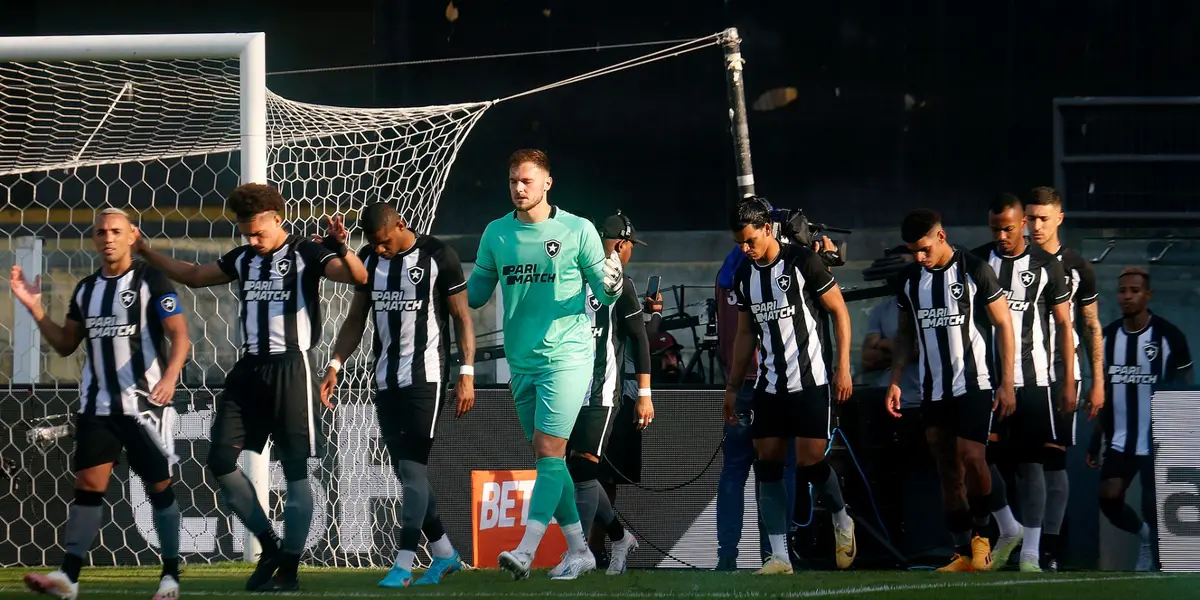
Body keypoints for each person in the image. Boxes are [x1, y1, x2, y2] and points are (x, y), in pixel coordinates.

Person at [135, 183, 368, 591]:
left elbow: (357, 277)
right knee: (221, 461)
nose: (253, 240)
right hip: (248, 370)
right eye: (246, 233)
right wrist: (146, 251)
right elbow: (193, 276)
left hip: (291, 370)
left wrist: (342, 247)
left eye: (259, 232)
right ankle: (270, 544)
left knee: (298, 473)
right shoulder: (243, 258)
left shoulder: (307, 253)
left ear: (278, 219)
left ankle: (289, 571)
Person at [465, 149, 625, 581]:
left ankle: (526, 549)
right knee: (548, 460)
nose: (520, 188)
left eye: (528, 181)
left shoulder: (577, 229)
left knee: (550, 452)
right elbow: (476, 294)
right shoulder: (496, 233)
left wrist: (613, 282)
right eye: (514, 180)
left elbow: (606, 295)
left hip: (568, 357)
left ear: (547, 183)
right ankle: (581, 550)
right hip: (522, 361)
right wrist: (444, 286)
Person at [15, 208, 191, 600]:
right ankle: (69, 577)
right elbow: (65, 343)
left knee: (159, 487)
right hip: (97, 407)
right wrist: (34, 307)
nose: (107, 238)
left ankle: (170, 577)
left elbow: (180, 335)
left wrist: (170, 376)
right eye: (100, 232)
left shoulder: (151, 280)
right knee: (88, 486)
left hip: (144, 406)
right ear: (94, 239)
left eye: (115, 231)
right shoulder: (85, 289)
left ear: (132, 236)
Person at [317, 203, 472, 587]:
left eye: (384, 242)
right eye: (375, 245)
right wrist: (335, 364)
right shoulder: (369, 258)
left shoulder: (439, 255)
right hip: (384, 378)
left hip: (427, 379)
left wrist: (466, 373)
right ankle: (445, 555)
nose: (381, 250)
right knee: (406, 474)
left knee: (413, 470)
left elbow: (462, 317)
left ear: (400, 225)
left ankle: (403, 564)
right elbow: (356, 318)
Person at [724, 197, 857, 575]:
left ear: (767, 229)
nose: (745, 249)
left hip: (811, 380)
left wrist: (843, 368)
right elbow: (746, 333)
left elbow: (840, 312)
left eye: (750, 241)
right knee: (767, 465)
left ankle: (841, 517)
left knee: (810, 463)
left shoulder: (803, 262)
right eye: (739, 244)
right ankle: (779, 556)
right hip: (769, 384)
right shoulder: (743, 274)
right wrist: (733, 387)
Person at [886, 208, 1017, 573]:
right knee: (947, 470)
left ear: (941, 237)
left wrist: (1007, 382)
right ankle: (961, 551)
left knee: (973, 457)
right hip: (933, 390)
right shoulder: (911, 280)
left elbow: (1004, 324)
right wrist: (896, 380)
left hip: (973, 383)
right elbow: (905, 334)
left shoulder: (974, 270)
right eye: (913, 251)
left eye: (925, 249)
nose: (919, 257)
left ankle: (982, 537)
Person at [973, 194, 1076, 572]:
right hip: (987, 379)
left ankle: (1031, 552)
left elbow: (1064, 324)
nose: (1001, 235)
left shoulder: (1048, 265)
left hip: (1033, 380)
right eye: (995, 228)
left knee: (1033, 464)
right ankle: (1006, 528)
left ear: (1022, 225)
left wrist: (1067, 381)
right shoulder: (979, 261)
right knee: (980, 459)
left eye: (1007, 228)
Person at [556, 210, 654, 578]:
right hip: (566, 386)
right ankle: (618, 536)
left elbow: (639, 338)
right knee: (569, 471)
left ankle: (577, 555)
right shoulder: (569, 278)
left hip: (601, 390)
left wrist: (644, 394)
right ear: (622, 244)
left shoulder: (621, 285)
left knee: (582, 468)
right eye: (629, 246)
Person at [1087, 267, 1191, 572]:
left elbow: (1185, 381)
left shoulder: (1169, 336)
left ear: (1148, 295)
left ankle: (1158, 564)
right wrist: (1096, 441)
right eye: (1122, 291)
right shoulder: (1107, 338)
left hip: (1158, 438)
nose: (1127, 296)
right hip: (1120, 438)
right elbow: (1101, 392)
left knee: (1154, 505)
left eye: (1134, 290)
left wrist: (1180, 434)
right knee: (1109, 498)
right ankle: (1145, 538)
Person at [1024, 186, 1105, 571]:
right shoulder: (1011, 261)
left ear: (1059, 218)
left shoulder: (1077, 268)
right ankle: (1016, 540)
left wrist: (1097, 380)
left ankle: (1049, 549)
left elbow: (1090, 326)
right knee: (1015, 462)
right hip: (1019, 375)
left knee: (1051, 460)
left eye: (1043, 218)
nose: (1035, 226)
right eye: (1030, 218)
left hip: (1061, 375)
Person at [714, 245, 797, 571]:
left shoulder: (728, 271)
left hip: (740, 379)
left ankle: (727, 555)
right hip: (770, 380)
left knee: (734, 470)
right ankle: (777, 552)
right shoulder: (765, 270)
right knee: (777, 468)